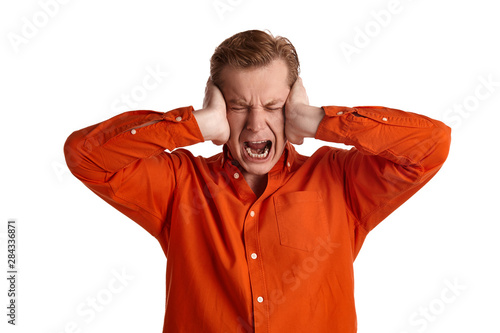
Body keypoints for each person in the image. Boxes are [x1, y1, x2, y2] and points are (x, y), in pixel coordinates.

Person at [64, 29, 451, 332]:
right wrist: (194, 124)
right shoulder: (180, 185)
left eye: (273, 106)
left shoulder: (340, 180)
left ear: (292, 106)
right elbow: (85, 155)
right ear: (218, 107)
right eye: (238, 106)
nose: (255, 124)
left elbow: (431, 145)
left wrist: (320, 120)